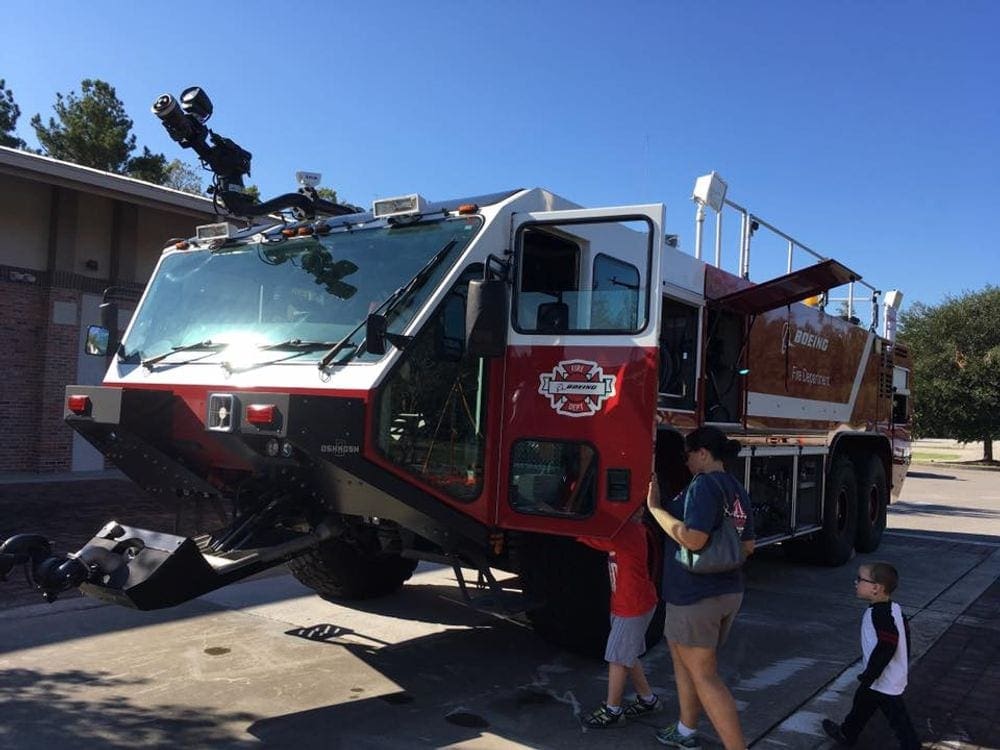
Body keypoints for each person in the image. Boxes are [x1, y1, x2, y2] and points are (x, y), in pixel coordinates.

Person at [646, 426, 755, 750]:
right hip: (727, 592)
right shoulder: (736, 488)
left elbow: (693, 539)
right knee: (686, 663)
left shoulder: (704, 485)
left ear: (703, 453)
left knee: (705, 675)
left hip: (695, 596)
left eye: (688, 455)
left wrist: (656, 510)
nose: (686, 462)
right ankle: (685, 728)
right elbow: (748, 545)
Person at [577, 507, 661, 728]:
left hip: (633, 607)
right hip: (629, 603)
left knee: (617, 657)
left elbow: (591, 537)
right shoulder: (631, 529)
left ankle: (612, 709)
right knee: (628, 655)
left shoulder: (628, 532)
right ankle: (648, 699)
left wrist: (569, 519)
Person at [822, 561, 920, 749]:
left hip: (883, 679)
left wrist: (870, 674)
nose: (856, 582)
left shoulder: (880, 615)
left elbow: (888, 644)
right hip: (880, 677)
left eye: (860, 579)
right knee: (862, 704)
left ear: (876, 588)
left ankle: (912, 745)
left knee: (898, 718)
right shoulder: (893, 608)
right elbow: (904, 636)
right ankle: (847, 733)